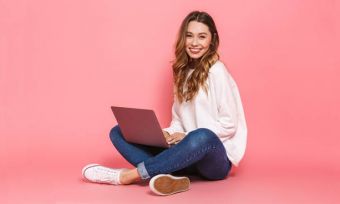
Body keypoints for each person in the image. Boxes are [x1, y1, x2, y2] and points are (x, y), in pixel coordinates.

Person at [82, 10, 247, 196]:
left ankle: (129, 176)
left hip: (214, 161)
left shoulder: (217, 71)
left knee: (203, 136)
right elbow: (178, 119)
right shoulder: (182, 72)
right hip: (186, 157)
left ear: (212, 40)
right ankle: (168, 177)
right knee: (118, 131)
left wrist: (185, 136)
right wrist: (166, 134)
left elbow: (229, 125)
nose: (194, 43)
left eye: (202, 37)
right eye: (189, 36)